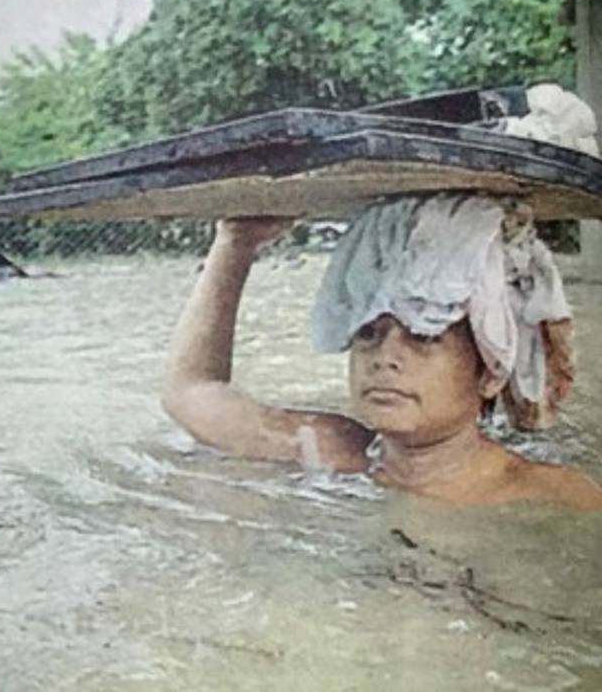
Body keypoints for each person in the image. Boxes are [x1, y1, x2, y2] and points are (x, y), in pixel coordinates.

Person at [161, 195, 602, 510]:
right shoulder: (332, 452)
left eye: (424, 337)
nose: (385, 357)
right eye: (369, 333)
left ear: (490, 373)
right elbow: (190, 391)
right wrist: (236, 243)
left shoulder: (557, 498)